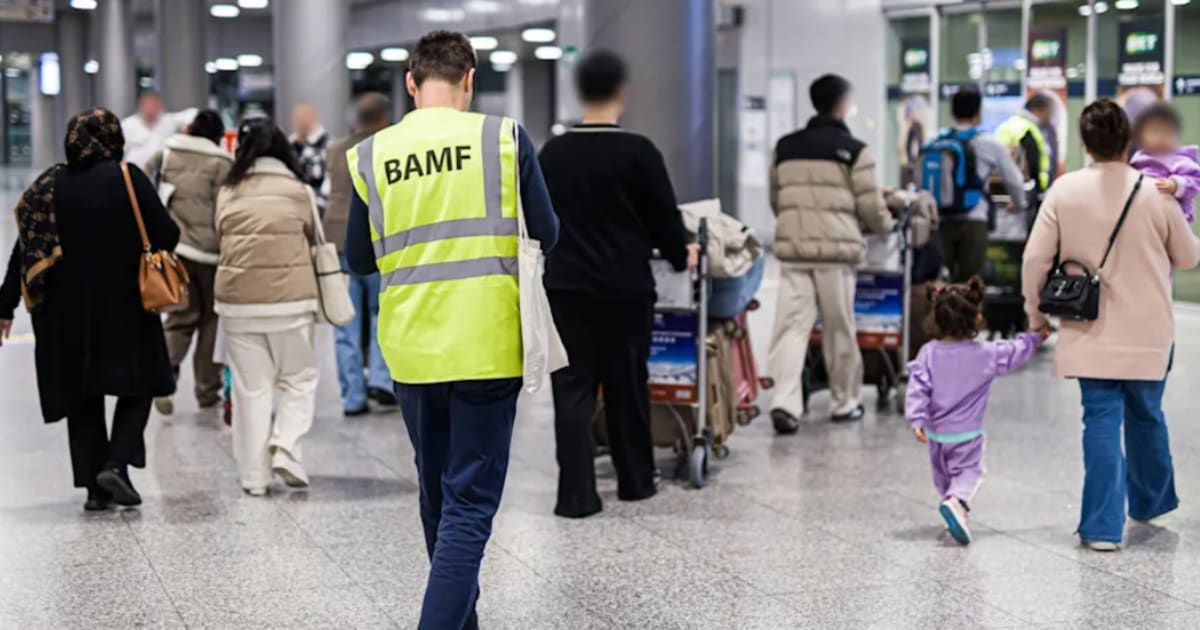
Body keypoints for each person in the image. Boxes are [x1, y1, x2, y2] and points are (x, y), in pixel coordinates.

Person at [345, 31, 558, 630]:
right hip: (487, 342)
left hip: (412, 348)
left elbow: (358, 258)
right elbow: (548, 231)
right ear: (470, 80)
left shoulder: (372, 153)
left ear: (411, 84)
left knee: (438, 496)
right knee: (469, 504)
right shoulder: (504, 138)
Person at [1023, 99, 1200, 551]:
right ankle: (1150, 503)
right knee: (1146, 414)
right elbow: (1189, 256)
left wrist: (1035, 314)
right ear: (1129, 141)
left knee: (1100, 420)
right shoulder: (1154, 191)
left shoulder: (1064, 190)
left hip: (1090, 330)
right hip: (1150, 333)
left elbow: (1035, 260)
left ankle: (1102, 528)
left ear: (1085, 142)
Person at [538, 51, 697, 518]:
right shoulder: (638, 152)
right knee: (627, 385)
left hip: (566, 288)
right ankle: (634, 481)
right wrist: (677, 254)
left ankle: (575, 496)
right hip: (625, 289)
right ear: (621, 93)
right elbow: (665, 222)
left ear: (579, 92)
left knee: (571, 390)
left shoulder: (553, 153)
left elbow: (539, 221)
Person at [0, 108, 179, 510]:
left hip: (65, 313)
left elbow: (24, 249)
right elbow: (168, 234)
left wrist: (5, 304)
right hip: (127, 305)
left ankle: (95, 491)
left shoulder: (48, 185)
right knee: (144, 382)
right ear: (113, 139)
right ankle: (115, 464)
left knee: (83, 394)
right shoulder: (127, 178)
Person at [767, 73, 893, 430]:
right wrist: (885, 226)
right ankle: (844, 401)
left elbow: (777, 199)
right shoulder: (855, 150)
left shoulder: (785, 146)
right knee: (839, 328)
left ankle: (785, 403)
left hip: (795, 253)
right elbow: (870, 207)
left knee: (791, 328)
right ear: (841, 105)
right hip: (836, 256)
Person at [215, 117, 321, 497]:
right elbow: (314, 235)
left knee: (252, 389)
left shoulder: (227, 190)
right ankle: (287, 447)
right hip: (292, 301)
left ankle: (254, 478)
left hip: (238, 303)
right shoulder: (298, 190)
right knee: (299, 379)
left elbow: (219, 235)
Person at [906, 277, 1045, 546]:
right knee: (970, 473)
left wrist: (917, 419)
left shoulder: (928, 353)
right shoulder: (986, 353)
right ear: (976, 318)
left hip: (936, 436)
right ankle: (957, 503)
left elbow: (917, 387)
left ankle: (955, 507)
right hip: (967, 435)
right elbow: (1014, 351)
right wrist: (1034, 338)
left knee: (945, 479)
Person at [145, 110, 232, 415]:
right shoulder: (222, 163)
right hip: (211, 254)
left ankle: (164, 376)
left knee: (180, 318)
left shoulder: (166, 155)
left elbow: (146, 191)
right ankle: (207, 391)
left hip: (176, 250)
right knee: (211, 320)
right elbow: (227, 209)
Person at [324, 93, 397, 416]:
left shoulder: (336, 150)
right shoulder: (391, 146)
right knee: (382, 313)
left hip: (338, 239)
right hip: (379, 238)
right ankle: (381, 382)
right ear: (384, 118)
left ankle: (352, 396)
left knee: (345, 320)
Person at [938, 88, 1027, 282]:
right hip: (974, 220)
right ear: (978, 113)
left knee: (943, 284)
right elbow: (1014, 180)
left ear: (952, 113)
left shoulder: (938, 142)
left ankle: (943, 312)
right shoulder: (989, 143)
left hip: (942, 221)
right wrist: (1019, 205)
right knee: (970, 286)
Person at [1129, 102, 1200, 224]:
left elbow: (1195, 180)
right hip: (1144, 217)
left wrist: (1175, 184)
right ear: (1139, 136)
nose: (1162, 137)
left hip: (1174, 219)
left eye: (1169, 132)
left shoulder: (1179, 159)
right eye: (1155, 131)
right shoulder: (1137, 160)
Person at [996, 92, 1055, 198]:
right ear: (1039, 109)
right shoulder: (1026, 129)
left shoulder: (1010, 125)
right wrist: (1037, 189)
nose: (1050, 117)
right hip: (1023, 191)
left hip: (1002, 190)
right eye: (1050, 113)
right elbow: (1033, 162)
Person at [122, 91, 197, 170]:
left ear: (160, 105)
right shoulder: (128, 124)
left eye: (154, 105)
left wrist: (186, 125)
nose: (151, 108)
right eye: (148, 104)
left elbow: (193, 113)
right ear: (141, 105)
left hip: (160, 173)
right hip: (133, 174)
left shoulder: (168, 121)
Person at [290, 102, 330, 215]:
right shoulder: (289, 146)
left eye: (305, 117)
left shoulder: (327, 146)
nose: (301, 122)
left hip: (318, 210)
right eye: (298, 118)